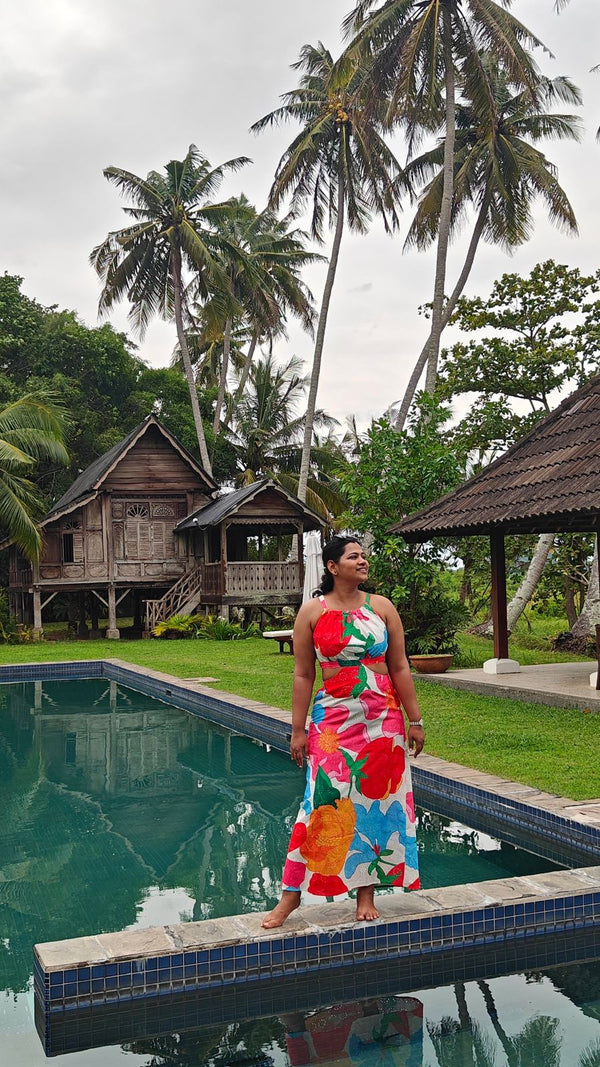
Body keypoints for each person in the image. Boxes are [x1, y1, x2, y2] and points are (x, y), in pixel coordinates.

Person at [262, 535, 425, 929]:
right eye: (354, 556)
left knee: (377, 801)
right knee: (320, 801)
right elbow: (303, 674)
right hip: (332, 719)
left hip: (382, 718)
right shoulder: (312, 612)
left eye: (363, 555)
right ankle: (291, 895)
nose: (363, 561)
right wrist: (297, 730)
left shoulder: (382, 607)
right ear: (333, 567)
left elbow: (400, 665)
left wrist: (414, 719)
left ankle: (366, 894)